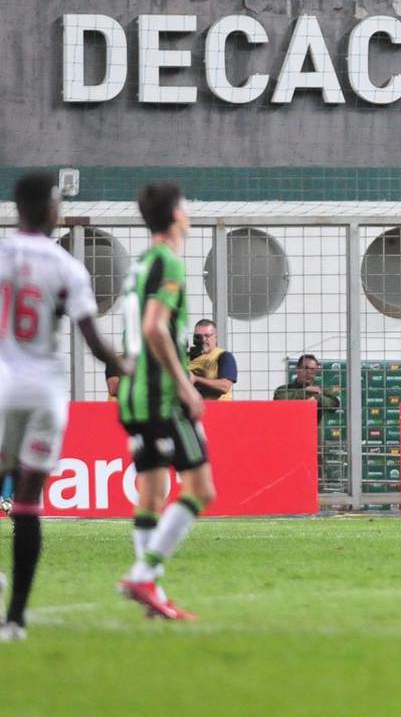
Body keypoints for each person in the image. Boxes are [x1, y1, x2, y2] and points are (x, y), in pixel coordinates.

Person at [0, 171, 128, 641]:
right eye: (56, 203)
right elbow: (93, 341)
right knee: (28, 505)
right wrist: (125, 366)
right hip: (43, 390)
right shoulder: (66, 267)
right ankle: (14, 619)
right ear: (47, 208)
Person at [116, 182, 215, 620]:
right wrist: (185, 385)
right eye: (185, 204)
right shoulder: (169, 262)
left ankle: (151, 595)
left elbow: (136, 329)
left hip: (134, 394)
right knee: (201, 489)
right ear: (175, 213)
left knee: (152, 492)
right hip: (161, 396)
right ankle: (143, 572)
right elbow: (156, 327)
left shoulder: (139, 264)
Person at [274, 354, 340, 422]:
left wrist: (316, 397)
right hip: (291, 430)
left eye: (313, 369)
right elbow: (280, 401)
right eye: (305, 368)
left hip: (312, 431)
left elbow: (334, 404)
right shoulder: (283, 390)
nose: (309, 372)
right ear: (298, 368)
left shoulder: (321, 390)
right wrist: (305, 392)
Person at [188, 318, 237, 400]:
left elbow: (224, 386)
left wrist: (195, 379)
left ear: (215, 337)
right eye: (198, 337)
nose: (203, 340)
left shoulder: (223, 356)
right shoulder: (186, 358)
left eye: (207, 336)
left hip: (218, 410)